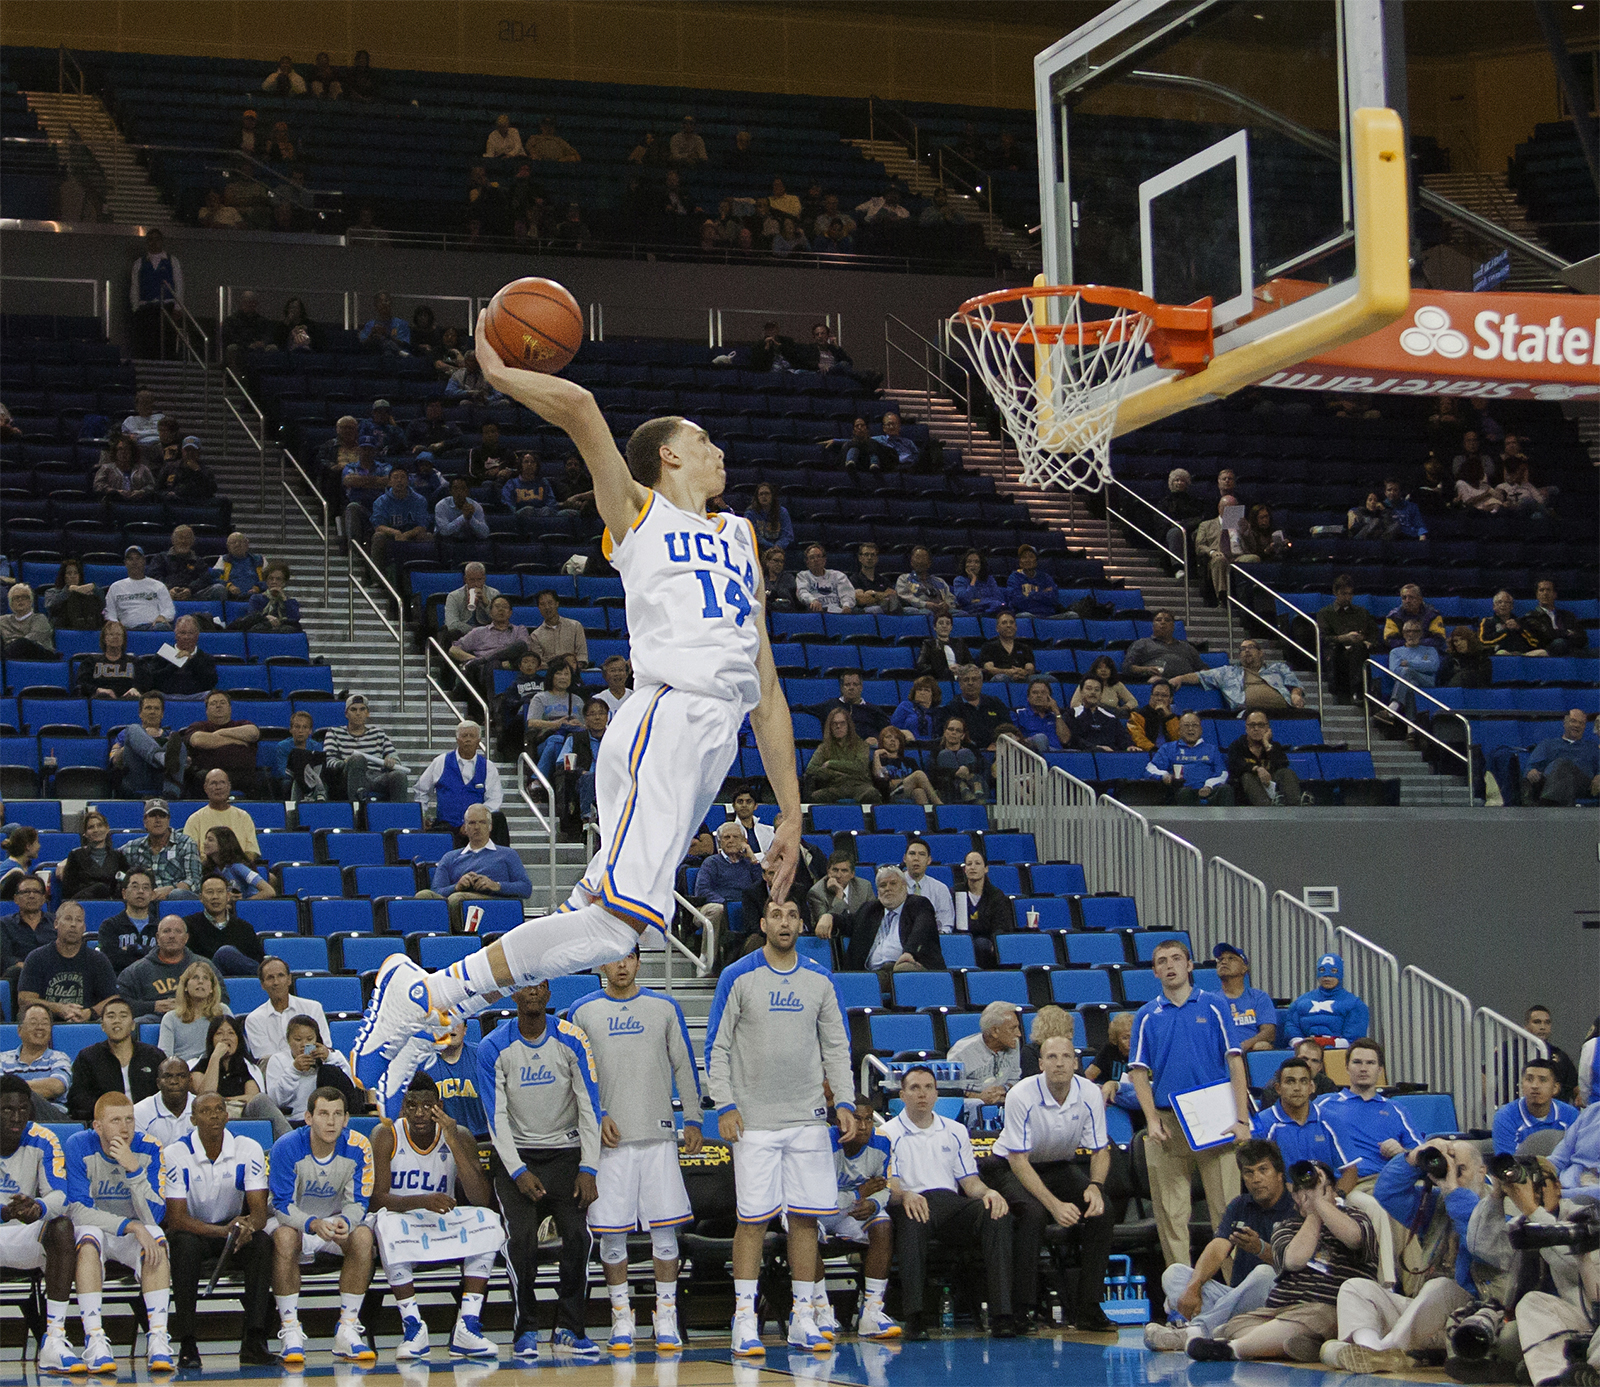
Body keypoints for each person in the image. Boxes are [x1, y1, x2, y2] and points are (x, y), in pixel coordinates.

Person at [350, 334, 804, 1126]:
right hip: (666, 715)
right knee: (616, 929)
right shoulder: (639, 516)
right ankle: (428, 991)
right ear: (666, 457)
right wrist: (495, 372)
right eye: (703, 439)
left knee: (601, 923)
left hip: (709, 736)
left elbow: (765, 685)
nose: (719, 447)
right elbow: (584, 409)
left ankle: (436, 1003)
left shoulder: (740, 540)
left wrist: (792, 810)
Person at [705, 895, 858, 1354]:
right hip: (754, 1123)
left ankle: (804, 1316)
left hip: (808, 1119)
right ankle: (745, 1319)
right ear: (763, 922)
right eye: (776, 914)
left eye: (792, 915)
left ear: (802, 924)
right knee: (751, 1221)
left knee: (806, 1220)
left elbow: (837, 1047)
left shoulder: (820, 978)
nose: (785, 922)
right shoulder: (738, 976)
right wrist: (725, 1104)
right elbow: (717, 1047)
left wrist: (845, 1101)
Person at [568, 948, 701, 1352]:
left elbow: (684, 1064)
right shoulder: (581, 1011)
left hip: (659, 1136)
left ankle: (666, 1317)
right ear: (601, 963)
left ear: (639, 962)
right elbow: (573, 1074)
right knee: (612, 1237)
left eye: (629, 958)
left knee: (665, 1234)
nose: (622, 965)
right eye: (614, 958)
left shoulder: (664, 1006)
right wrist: (597, 1113)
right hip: (608, 1143)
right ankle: (621, 1318)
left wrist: (693, 1117)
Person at [479, 982, 604, 1359]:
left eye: (539, 985)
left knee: (579, 1238)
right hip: (517, 1158)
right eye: (524, 986)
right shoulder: (493, 1047)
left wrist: (589, 1167)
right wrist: (517, 1171)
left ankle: (569, 1327)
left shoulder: (572, 1039)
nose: (532, 991)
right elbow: (495, 1116)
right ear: (512, 994)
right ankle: (525, 1329)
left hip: (566, 1156)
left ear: (549, 993)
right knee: (521, 1241)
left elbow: (590, 1105)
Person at [1129, 938, 1253, 1269]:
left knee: (1227, 1213)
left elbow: (1235, 1062)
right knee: (1171, 1216)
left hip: (1216, 1119)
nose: (1169, 965)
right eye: (1162, 961)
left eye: (1175, 958)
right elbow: (1138, 1072)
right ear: (1154, 971)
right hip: (1168, 1124)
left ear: (1189, 965)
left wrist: (1242, 1119)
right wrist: (1151, 1120)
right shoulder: (1146, 1015)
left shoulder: (1214, 1006)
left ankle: (1235, 1297)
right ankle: (1181, 1302)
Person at [1321, 1137, 1488, 1374]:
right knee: (1355, 1287)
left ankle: (1382, 1350)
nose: (1451, 1175)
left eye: (1460, 1169)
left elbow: (1478, 1239)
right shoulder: (1437, 1205)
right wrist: (1413, 1158)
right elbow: (1388, 1194)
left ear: (1482, 1172)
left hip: (1473, 1317)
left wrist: (1452, 1190)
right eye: (1447, 1167)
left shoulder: (1497, 1205)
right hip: (1426, 1317)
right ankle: (1370, 1350)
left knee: (1440, 1286)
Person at [987, 1033, 1118, 1331]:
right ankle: (1022, 1309)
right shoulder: (1021, 1094)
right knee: (1033, 1213)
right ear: (1041, 1063)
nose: (1059, 1063)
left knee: (1103, 1209)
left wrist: (1095, 1186)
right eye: (1052, 1057)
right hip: (1008, 1166)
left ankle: (1088, 1307)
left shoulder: (1089, 1093)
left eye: (1065, 1057)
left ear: (1075, 1062)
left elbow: (1100, 1150)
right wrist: (1055, 1205)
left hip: (1059, 1164)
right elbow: (1018, 1160)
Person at [1187, 1160, 1378, 1363]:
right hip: (1281, 1311)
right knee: (1235, 1325)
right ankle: (1302, 1347)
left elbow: (1354, 1238)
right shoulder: (1287, 1227)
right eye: (1300, 1191)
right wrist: (1314, 1214)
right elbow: (1295, 1261)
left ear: (1331, 1190)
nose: (1307, 1195)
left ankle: (1233, 1349)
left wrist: (1321, 1204)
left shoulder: (1357, 1217)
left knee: (1319, 1317)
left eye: (1315, 1188)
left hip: (1327, 1309)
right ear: (1294, 1196)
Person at [369, 1074, 505, 1361]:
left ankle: (467, 1324)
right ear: (402, 1106)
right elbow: (376, 1199)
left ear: (439, 1106)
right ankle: (413, 1326)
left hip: (438, 1221)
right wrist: (422, 1200)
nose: (419, 1113)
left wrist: (453, 1142)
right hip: (401, 1217)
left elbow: (481, 1198)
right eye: (412, 1105)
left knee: (489, 1221)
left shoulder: (461, 1135)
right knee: (386, 1224)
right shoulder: (386, 1134)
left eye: (427, 1106)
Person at [884, 1065, 1016, 1339]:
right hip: (912, 1202)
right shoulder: (887, 1133)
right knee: (912, 1216)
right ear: (902, 1095)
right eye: (914, 1088)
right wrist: (906, 1195)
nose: (922, 1094)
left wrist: (989, 1193)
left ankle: (1002, 1314)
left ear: (936, 1093)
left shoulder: (955, 1130)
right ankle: (915, 1317)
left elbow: (970, 1183)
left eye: (928, 1087)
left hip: (951, 1204)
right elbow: (892, 1188)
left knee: (995, 1213)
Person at [1145, 1139, 1294, 1352]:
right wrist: (1193, 1286)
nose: (1256, 1179)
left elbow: (1296, 1263)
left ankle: (1195, 1330)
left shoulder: (1295, 1206)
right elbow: (1217, 1248)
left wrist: (1261, 1249)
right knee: (1174, 1273)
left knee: (1264, 1273)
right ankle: (1223, 1326)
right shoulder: (1240, 1205)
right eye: (1249, 1173)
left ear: (1280, 1173)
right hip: (1237, 1297)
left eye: (1263, 1170)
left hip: (1277, 1301)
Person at [162, 1092, 275, 1367]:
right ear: (193, 1119)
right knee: (182, 1246)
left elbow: (259, 1211)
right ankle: (187, 1343)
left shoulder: (248, 1149)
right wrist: (224, 1231)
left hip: (233, 1230)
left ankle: (255, 1340)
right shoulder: (175, 1153)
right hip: (195, 1231)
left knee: (262, 1242)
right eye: (205, 1111)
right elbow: (176, 1219)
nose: (213, 1115)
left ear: (228, 1115)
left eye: (219, 1109)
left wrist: (247, 1226)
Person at [268, 1087, 378, 1364]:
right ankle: (290, 1328)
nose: (331, 1121)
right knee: (284, 1238)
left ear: (346, 1119)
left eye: (337, 1114)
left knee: (363, 1236)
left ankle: (347, 1328)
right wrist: (311, 1223)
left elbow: (360, 1201)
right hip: (293, 1220)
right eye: (323, 1114)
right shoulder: (287, 1146)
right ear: (308, 1118)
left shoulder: (359, 1146)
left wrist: (346, 1220)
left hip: (333, 1219)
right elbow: (281, 1205)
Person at [65, 1092, 174, 1371]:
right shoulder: (78, 1145)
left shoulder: (149, 1147)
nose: (125, 1128)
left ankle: (158, 1338)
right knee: (88, 1237)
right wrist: (131, 1225)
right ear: (97, 1126)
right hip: (101, 1230)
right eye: (115, 1121)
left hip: (134, 1236)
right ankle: (95, 1340)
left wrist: (134, 1169)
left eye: (129, 1119)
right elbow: (78, 1210)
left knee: (157, 1240)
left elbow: (155, 1215)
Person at [1312, 1037, 1417, 1288]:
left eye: (1370, 1063)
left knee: (1413, 1208)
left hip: (1392, 1181)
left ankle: (1417, 1292)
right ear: (1346, 1067)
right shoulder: (1325, 1105)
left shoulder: (1396, 1109)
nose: (1363, 1068)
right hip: (1352, 1183)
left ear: (1380, 1070)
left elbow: (1419, 1153)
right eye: (1357, 1062)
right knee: (1376, 1206)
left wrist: (1401, 1150)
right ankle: (1388, 1286)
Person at [0, 1074, 81, 1371]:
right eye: (7, 1110)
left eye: (23, 1109)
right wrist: (4, 1212)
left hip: (22, 1235)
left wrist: (38, 1207)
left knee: (61, 1226)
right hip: (3, 1220)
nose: (17, 1116)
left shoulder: (43, 1138)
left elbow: (61, 1194)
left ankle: (54, 1339)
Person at [817, 863, 943, 985]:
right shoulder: (869, 909)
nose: (888, 888)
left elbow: (922, 929)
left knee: (903, 970)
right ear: (878, 891)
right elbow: (846, 922)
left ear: (904, 887)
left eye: (893, 883)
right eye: (883, 885)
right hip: (872, 973)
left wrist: (909, 953)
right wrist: (829, 916)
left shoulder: (919, 904)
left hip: (909, 967)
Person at [418, 802, 532, 932]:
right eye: (472, 823)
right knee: (423, 895)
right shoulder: (450, 857)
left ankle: (465, 939)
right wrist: (456, 886)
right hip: (458, 898)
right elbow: (436, 891)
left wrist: (496, 885)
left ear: (490, 827)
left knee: (457, 899)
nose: (477, 827)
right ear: (465, 828)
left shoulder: (507, 854)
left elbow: (526, 888)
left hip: (493, 901)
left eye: (482, 822)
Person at [66, 993, 164, 1120]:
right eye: (111, 1016)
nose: (117, 1020)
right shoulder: (88, 1057)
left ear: (133, 1024)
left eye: (123, 1016)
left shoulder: (154, 1055)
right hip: (106, 1123)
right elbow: (78, 1099)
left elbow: (164, 1094)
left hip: (149, 1121)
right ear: (102, 1026)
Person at [20, 903, 119, 1027]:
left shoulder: (98, 960)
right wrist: (58, 1008)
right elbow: (25, 999)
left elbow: (113, 999)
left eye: (78, 920)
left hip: (86, 1025)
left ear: (84, 927)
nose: (73, 925)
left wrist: (89, 1013)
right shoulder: (37, 958)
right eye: (68, 919)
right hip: (44, 1025)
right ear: (56, 923)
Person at [117, 913, 223, 1024]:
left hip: (198, 1018)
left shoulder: (205, 966)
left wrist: (189, 1006)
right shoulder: (135, 971)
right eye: (166, 931)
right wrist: (153, 1006)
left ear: (186, 938)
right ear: (157, 937)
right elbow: (121, 1004)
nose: (172, 936)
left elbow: (222, 997)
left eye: (178, 931)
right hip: (156, 1019)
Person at [414, 721, 504, 839]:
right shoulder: (441, 761)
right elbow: (421, 790)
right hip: (447, 826)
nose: (468, 739)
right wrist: (423, 815)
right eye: (464, 736)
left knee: (499, 819)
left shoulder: (488, 767)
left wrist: (473, 822)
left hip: (478, 828)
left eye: (472, 736)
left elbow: (494, 800)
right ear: (457, 739)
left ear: (478, 741)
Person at [1252, 1058, 1344, 1169]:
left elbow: (1349, 1170)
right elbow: (1256, 1173)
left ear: (1311, 1087)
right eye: (1290, 1081)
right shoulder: (1261, 1124)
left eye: (1303, 1081)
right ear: (1278, 1088)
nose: (1297, 1088)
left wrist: (1336, 1187)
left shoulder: (1331, 1120)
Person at [1172, 638, 1307, 713]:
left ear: (1261, 653)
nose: (1246, 651)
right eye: (1242, 649)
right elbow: (1201, 676)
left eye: (1251, 647)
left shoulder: (1278, 668)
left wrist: (1295, 694)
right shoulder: (1229, 672)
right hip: (1250, 715)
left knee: (1311, 715)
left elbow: (1294, 684)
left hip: (1284, 711)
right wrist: (1180, 678)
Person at [320, 694, 407, 804]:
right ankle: (357, 811)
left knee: (399, 775)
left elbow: (394, 757)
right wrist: (344, 763)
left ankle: (399, 816)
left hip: (376, 777)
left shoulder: (378, 733)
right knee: (357, 759)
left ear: (367, 713)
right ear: (346, 714)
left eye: (362, 709)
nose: (358, 713)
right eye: (353, 709)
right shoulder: (334, 732)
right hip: (347, 777)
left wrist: (391, 761)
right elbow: (328, 761)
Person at [694, 822, 765, 954]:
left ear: (744, 841)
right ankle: (707, 962)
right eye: (727, 837)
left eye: (735, 837)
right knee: (717, 910)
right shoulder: (711, 862)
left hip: (745, 907)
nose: (731, 840)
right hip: (714, 906)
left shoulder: (750, 864)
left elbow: (761, 887)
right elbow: (702, 890)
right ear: (720, 842)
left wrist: (752, 858)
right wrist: (726, 904)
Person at [245, 956, 332, 1059]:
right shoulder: (254, 1019)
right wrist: (295, 1065)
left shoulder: (313, 1008)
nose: (276, 982)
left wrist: (305, 1060)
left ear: (289, 979)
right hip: (275, 1072)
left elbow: (322, 1046)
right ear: (262, 985)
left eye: (280, 976)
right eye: (270, 978)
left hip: (311, 1067)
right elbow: (267, 1059)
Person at [948, 1001, 1023, 1113]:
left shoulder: (1013, 1044)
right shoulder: (961, 1052)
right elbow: (950, 1091)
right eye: (1013, 1028)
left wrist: (1002, 1089)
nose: (1019, 1034)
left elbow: (1015, 1079)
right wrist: (979, 1097)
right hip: (970, 1110)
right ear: (994, 1031)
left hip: (1002, 1106)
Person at [180, 697, 262, 800]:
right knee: (197, 779)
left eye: (222, 702)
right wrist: (237, 741)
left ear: (230, 708)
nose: (218, 705)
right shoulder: (198, 726)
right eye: (213, 703)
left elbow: (254, 733)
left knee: (260, 781)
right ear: (207, 710)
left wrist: (217, 734)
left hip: (242, 774)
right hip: (207, 774)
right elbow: (197, 740)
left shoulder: (242, 724)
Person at [1316, 577, 1383, 703]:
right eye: (1344, 594)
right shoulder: (1325, 613)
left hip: (1359, 650)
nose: (1347, 597)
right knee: (1351, 651)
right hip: (1337, 652)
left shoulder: (1361, 612)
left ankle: (1359, 692)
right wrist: (1344, 638)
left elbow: (1373, 633)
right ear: (1335, 593)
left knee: (1359, 649)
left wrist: (1368, 642)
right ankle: (1356, 692)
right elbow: (1323, 638)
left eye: (1350, 594)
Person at [0, 1004, 72, 1120]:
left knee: (27, 1101)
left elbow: (57, 1087)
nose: (40, 1027)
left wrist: (16, 1089)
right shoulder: (2, 1059)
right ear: (20, 1030)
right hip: (8, 1119)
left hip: (51, 1119)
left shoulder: (59, 1057)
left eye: (44, 1023)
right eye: (33, 1023)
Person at [1227, 710, 1311, 807]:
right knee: (1247, 776)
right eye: (1252, 725)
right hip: (1247, 789)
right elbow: (1235, 765)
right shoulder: (1237, 745)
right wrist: (1257, 769)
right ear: (1246, 728)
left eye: (1261, 725)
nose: (1256, 728)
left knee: (1286, 772)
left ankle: (1295, 805)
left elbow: (1283, 764)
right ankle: (1269, 807)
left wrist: (1266, 744)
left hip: (1271, 783)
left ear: (1267, 728)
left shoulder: (1274, 746)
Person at [1283, 953, 1371, 1046]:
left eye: (1333, 971)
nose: (1327, 977)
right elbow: (1292, 1028)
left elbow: (1354, 1038)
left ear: (1340, 973)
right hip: (1304, 1052)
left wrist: (1330, 1043)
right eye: (1322, 970)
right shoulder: (1300, 1002)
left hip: (1339, 1053)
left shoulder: (1355, 1004)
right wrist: (1298, 1043)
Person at [1146, 712, 1234, 804]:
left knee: (1226, 789)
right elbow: (1151, 768)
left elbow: (1222, 773)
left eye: (1195, 725)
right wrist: (1164, 775)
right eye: (1186, 725)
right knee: (1185, 793)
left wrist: (1209, 786)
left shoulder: (1212, 749)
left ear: (1201, 730)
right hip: (1181, 791)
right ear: (1179, 730)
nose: (1190, 729)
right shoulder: (1168, 748)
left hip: (1209, 791)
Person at [1493, 1058, 1576, 1155]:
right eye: (1529, 1079)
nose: (1535, 1086)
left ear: (1555, 1088)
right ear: (1522, 1085)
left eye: (1543, 1080)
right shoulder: (1505, 1117)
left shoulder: (1571, 1115)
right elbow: (1507, 1163)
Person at [1525, 707, 1600, 807]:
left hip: (1582, 784)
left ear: (1585, 727)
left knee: (1563, 765)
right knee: (1561, 767)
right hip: (1549, 781)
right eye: (1573, 721)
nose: (1577, 725)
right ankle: (1560, 809)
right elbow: (1530, 767)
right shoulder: (1548, 744)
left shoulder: (1592, 747)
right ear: (1565, 723)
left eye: (1581, 723)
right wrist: (1531, 771)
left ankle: (1547, 805)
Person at [805, 706, 880, 804]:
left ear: (848, 725)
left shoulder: (861, 745)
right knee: (816, 797)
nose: (838, 727)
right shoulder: (823, 747)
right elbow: (811, 769)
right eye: (834, 724)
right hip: (834, 786)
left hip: (859, 785)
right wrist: (835, 774)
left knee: (872, 793)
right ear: (830, 727)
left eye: (842, 723)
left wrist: (831, 764)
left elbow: (860, 766)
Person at [158, 960, 227, 1063]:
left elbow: (235, 1044)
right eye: (195, 977)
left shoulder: (223, 1011)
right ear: (185, 986)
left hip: (216, 1065)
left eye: (205, 978)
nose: (200, 981)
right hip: (184, 1070)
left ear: (212, 988)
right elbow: (165, 1057)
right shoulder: (171, 1018)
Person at [129, 228, 183, 360]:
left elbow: (179, 284)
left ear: (162, 241)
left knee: (167, 339)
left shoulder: (172, 260)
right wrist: (136, 308)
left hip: (167, 306)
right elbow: (135, 287)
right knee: (148, 340)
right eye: (150, 240)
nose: (154, 243)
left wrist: (178, 307)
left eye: (157, 239)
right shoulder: (139, 263)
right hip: (146, 307)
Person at [183, 768, 261, 858]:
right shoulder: (194, 819)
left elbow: (252, 851)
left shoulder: (243, 817)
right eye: (213, 783)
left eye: (222, 783)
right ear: (205, 788)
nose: (218, 787)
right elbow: (190, 855)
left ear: (229, 786)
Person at [1212, 943, 1277, 1051]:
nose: (1223, 962)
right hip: (1220, 1051)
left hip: (1249, 1050)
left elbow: (1269, 1032)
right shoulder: (1210, 999)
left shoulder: (1259, 997)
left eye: (1231, 958)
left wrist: (1244, 1046)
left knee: (1262, 1046)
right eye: (1220, 959)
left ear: (1244, 968)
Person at [137, 614, 217, 698]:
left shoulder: (206, 658)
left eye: (190, 633)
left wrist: (192, 660)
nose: (186, 637)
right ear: (176, 634)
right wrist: (175, 663)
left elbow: (210, 682)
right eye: (183, 633)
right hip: (166, 698)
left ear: (197, 635)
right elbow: (152, 681)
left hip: (197, 698)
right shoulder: (163, 654)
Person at [59, 810, 128, 903]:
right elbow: (68, 891)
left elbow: (126, 884)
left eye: (100, 825)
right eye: (91, 827)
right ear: (85, 833)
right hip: (83, 904)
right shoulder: (75, 856)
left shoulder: (118, 856)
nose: (96, 830)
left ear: (107, 829)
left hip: (112, 904)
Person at [103, 545, 175, 631]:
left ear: (144, 561)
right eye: (130, 559)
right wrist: (116, 624)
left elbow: (169, 609)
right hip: (126, 630)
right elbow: (110, 613)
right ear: (125, 563)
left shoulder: (158, 585)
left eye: (138, 558)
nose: (134, 562)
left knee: (163, 627)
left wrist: (163, 616)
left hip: (153, 628)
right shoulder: (115, 587)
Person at [1125, 610, 1206, 683]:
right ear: (1153, 626)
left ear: (1173, 626)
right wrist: (1146, 669)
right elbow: (1127, 667)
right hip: (1156, 684)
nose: (1163, 622)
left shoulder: (1187, 647)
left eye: (1167, 620)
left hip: (1186, 685)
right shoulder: (1142, 643)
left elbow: (1203, 670)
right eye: (1158, 620)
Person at [134, 1056, 197, 1146]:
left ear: (190, 1081)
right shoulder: (140, 1112)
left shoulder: (204, 1109)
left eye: (181, 1076)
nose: (174, 1081)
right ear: (158, 1083)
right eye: (167, 1076)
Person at [1525, 1005, 1582, 1104]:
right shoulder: (1508, 1050)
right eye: (1537, 1022)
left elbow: (1574, 1087)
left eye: (1547, 1023)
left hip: (1556, 1113)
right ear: (1526, 1026)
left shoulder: (1561, 1056)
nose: (1542, 1027)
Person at [1068, 675, 1134, 751]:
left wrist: (1129, 746)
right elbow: (1072, 739)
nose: (1093, 692)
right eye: (1089, 689)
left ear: (1101, 694)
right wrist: (1095, 748)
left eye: (1097, 690)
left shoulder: (1110, 717)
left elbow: (1122, 737)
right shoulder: (1072, 714)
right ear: (1081, 692)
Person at [1525, 578, 1583, 657]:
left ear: (1555, 594)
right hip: (1547, 652)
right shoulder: (1531, 616)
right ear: (1537, 595)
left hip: (1571, 650)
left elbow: (1582, 637)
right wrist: (1567, 633)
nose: (1545, 593)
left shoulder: (1568, 615)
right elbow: (1546, 636)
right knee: (1559, 643)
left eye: (1548, 590)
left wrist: (1564, 634)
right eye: (1542, 590)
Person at [795, 543, 855, 614]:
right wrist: (812, 600)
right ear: (807, 562)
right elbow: (802, 592)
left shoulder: (838, 575)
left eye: (818, 556)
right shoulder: (803, 576)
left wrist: (846, 605)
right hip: (815, 612)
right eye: (812, 558)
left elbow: (847, 593)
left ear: (824, 560)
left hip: (838, 612)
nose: (816, 560)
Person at [896, 545, 954, 617]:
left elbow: (951, 598)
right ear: (911, 562)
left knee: (961, 614)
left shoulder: (939, 581)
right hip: (919, 610)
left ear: (929, 563)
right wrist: (925, 604)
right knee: (928, 614)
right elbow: (904, 596)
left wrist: (947, 605)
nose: (920, 561)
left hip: (941, 611)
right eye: (917, 558)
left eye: (923, 558)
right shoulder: (904, 579)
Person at [1005, 544, 1062, 617]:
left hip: (1048, 616)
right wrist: (1041, 593)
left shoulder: (1045, 577)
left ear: (1036, 561)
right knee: (1025, 616)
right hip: (1027, 615)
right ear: (1020, 562)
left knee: (1072, 615)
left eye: (1031, 557)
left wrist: (1029, 595)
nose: (1027, 560)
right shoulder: (1014, 578)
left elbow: (1054, 599)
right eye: (1024, 557)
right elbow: (1016, 601)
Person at [1128, 680, 1181, 752]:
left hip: (1173, 754)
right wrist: (1156, 750)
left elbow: (1179, 739)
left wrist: (1169, 717)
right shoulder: (1137, 715)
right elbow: (1137, 738)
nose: (1159, 698)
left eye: (1164, 696)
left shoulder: (1176, 717)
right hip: (1150, 753)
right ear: (1151, 697)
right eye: (1156, 694)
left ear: (1170, 699)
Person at [850, 541, 900, 615]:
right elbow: (862, 600)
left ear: (877, 558)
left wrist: (873, 593)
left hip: (886, 610)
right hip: (865, 613)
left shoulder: (883, 579)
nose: (869, 558)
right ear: (860, 558)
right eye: (866, 554)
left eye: (873, 555)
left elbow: (892, 596)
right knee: (876, 609)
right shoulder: (854, 579)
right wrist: (882, 597)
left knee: (911, 610)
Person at [917, 612, 972, 679]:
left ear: (951, 627)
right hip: (939, 679)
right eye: (941, 623)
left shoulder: (959, 643)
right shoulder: (928, 644)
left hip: (961, 678)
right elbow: (921, 665)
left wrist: (961, 668)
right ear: (934, 627)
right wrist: (946, 670)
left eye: (947, 623)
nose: (944, 626)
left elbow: (970, 663)